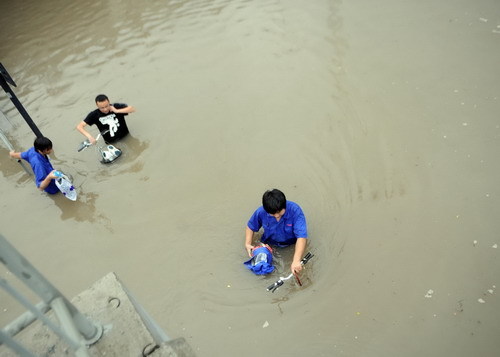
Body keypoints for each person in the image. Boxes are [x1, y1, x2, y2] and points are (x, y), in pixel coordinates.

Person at [245, 189, 308, 275]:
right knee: (260, 269)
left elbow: (301, 237)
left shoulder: (295, 211)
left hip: (290, 243)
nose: (277, 216)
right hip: (269, 243)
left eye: (279, 212)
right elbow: (250, 227)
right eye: (273, 214)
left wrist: (296, 261)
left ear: (284, 206)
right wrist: (248, 244)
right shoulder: (261, 212)